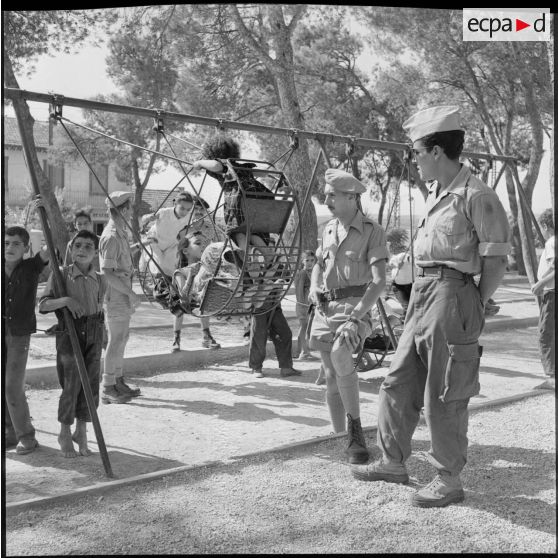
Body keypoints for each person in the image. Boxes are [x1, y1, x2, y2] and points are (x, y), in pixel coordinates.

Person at [351, 105, 511, 508]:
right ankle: (392, 461)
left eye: (417, 152)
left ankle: (449, 480)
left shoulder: (477, 195)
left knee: (444, 391)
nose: (414, 160)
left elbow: (494, 260)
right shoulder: (439, 195)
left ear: (437, 151)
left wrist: (475, 300)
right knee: (398, 381)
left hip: (451, 297)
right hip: (421, 297)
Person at [308, 168, 388, 464]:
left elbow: (379, 281)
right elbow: (318, 263)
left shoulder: (372, 231)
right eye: (326, 194)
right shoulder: (328, 228)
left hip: (354, 309)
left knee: (342, 356)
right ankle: (339, 434)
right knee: (330, 377)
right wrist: (315, 286)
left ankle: (356, 434)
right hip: (324, 309)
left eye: (332, 195)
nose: (326, 199)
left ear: (352, 197)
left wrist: (356, 317)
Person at [38, 230, 105, 457]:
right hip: (70, 333)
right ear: (71, 249)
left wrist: (102, 336)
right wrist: (66, 300)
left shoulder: (101, 279)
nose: (82, 250)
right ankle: (64, 432)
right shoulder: (60, 275)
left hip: (94, 333)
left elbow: (100, 309)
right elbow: (44, 305)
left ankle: (82, 431)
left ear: (96, 253)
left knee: (92, 386)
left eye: (88, 246)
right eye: (78, 245)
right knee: (71, 385)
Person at [4, 200, 49, 455]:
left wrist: (43, 213)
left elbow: (50, 245)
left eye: (16, 244)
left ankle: (27, 437)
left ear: (25, 248)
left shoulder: (31, 267)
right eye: (6, 242)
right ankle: (9, 433)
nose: (10, 247)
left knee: (12, 385)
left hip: (19, 334)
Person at [192, 135, 272, 265]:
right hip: (255, 204)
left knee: (237, 232)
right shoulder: (243, 167)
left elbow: (216, 165)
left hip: (238, 204)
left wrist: (200, 163)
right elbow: (262, 173)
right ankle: (268, 255)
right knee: (253, 232)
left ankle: (245, 257)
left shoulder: (224, 166)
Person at [99, 190, 141, 404]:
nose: (131, 210)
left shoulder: (120, 233)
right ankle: (108, 387)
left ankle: (118, 381)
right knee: (115, 340)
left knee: (122, 339)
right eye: (129, 207)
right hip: (116, 295)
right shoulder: (112, 236)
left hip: (121, 292)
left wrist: (138, 247)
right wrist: (131, 293)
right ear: (123, 209)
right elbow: (107, 273)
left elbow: (119, 262)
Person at [171, 234, 221, 351]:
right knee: (179, 309)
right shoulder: (180, 272)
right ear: (185, 251)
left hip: (200, 302)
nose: (203, 246)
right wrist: (190, 276)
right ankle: (176, 338)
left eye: (204, 243)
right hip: (183, 302)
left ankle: (206, 336)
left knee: (205, 301)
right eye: (198, 243)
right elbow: (183, 296)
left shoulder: (205, 267)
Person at [143, 191, 194, 278]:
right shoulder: (164, 212)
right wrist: (149, 217)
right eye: (182, 208)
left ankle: (166, 289)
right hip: (155, 241)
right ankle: (158, 284)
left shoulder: (189, 217)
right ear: (175, 204)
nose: (184, 212)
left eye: (188, 210)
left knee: (169, 270)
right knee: (157, 266)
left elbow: (188, 231)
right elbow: (144, 219)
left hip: (171, 244)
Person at [531, 208, 555, 390]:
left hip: (552, 293)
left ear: (546, 226)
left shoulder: (552, 242)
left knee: (545, 334)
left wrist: (540, 284)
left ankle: (551, 376)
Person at [294, 250, 319, 362]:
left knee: (306, 329)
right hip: (303, 305)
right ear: (302, 261)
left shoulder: (312, 273)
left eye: (312, 260)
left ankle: (303, 351)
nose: (309, 263)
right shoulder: (302, 273)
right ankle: (303, 352)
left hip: (309, 305)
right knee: (304, 328)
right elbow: (299, 291)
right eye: (307, 260)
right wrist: (302, 305)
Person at [386, 229, 413, 317]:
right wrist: (397, 265)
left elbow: (410, 260)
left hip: (408, 285)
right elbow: (391, 264)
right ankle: (405, 318)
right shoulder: (394, 257)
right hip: (399, 285)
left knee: (408, 305)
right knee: (406, 305)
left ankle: (406, 319)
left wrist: (403, 263)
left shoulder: (406, 256)